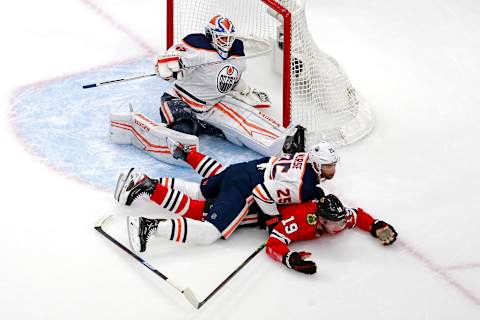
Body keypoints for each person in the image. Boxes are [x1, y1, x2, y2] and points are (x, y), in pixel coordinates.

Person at [115, 138, 339, 249]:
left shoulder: (302, 157)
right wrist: (273, 219)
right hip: (244, 189)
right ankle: (150, 226)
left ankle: (147, 183)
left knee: (199, 192)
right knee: (209, 232)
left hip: (240, 170)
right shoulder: (304, 187)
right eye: (329, 166)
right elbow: (262, 193)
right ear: (318, 165)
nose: (333, 170)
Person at [155, 14, 305, 156]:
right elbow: (165, 64)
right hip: (181, 99)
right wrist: (169, 67)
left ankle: (285, 141)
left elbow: (233, 79)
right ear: (210, 35)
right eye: (221, 38)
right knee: (186, 129)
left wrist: (246, 91)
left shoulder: (237, 51)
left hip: (213, 103)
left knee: (244, 120)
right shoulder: (197, 45)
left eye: (229, 38)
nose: (226, 42)